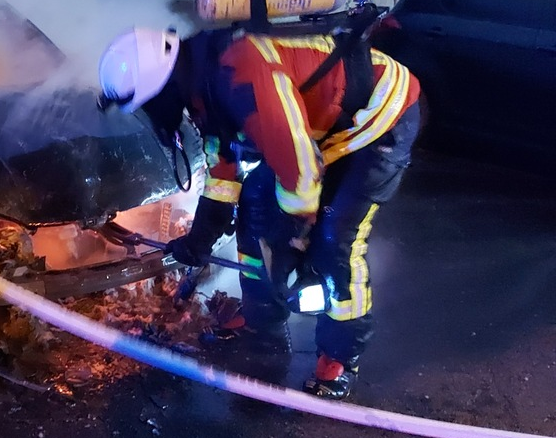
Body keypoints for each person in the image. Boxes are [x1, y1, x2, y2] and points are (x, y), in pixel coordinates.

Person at [98, 23, 420, 400]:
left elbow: (299, 173)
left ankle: (339, 355)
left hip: (381, 115)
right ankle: (262, 318)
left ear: (162, 88)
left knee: (336, 238)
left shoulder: (242, 74)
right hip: (325, 128)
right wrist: (200, 238)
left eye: (149, 104)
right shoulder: (204, 89)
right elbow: (224, 172)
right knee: (255, 202)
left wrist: (294, 239)